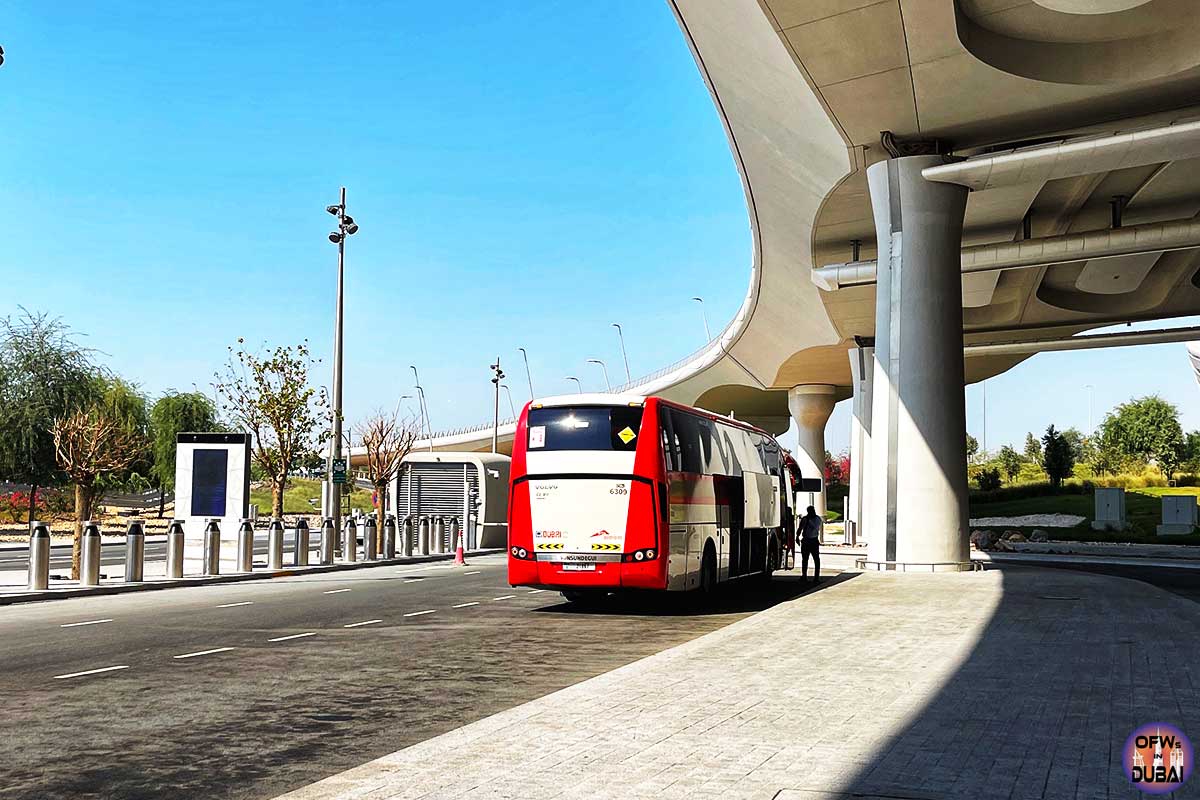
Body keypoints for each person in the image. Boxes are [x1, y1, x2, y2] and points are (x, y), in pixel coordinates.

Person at [799, 505, 822, 582]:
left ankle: (810, 576)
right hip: (810, 541)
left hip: (810, 540)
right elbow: (801, 528)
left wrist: (797, 537)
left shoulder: (810, 519)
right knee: (810, 559)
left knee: (810, 559)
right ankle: (810, 576)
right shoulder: (809, 519)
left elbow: (801, 528)